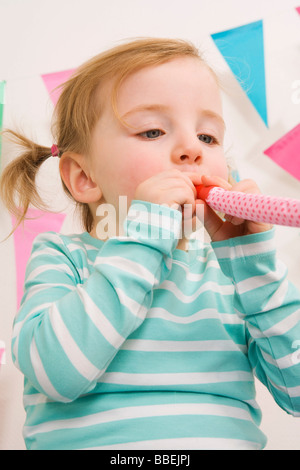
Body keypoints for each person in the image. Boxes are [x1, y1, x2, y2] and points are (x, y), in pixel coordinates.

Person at [1, 38, 299, 450]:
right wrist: (143, 239)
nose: (192, 149)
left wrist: (256, 271)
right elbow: (56, 372)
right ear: (84, 177)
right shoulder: (62, 257)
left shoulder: (228, 277)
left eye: (209, 137)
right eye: (153, 131)